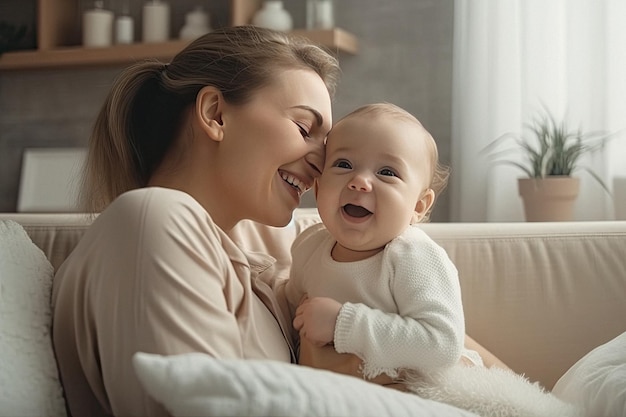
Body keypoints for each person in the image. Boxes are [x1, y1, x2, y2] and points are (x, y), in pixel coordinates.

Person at [51, 26, 340, 417]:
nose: (321, 163)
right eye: (304, 128)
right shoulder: (152, 222)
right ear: (215, 114)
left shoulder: (257, 254)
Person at [283, 103, 483, 386]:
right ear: (318, 188)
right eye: (344, 164)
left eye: (387, 172)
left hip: (417, 392)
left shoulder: (414, 256)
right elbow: (293, 311)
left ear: (418, 206)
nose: (360, 181)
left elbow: (443, 344)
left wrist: (343, 323)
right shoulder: (308, 247)